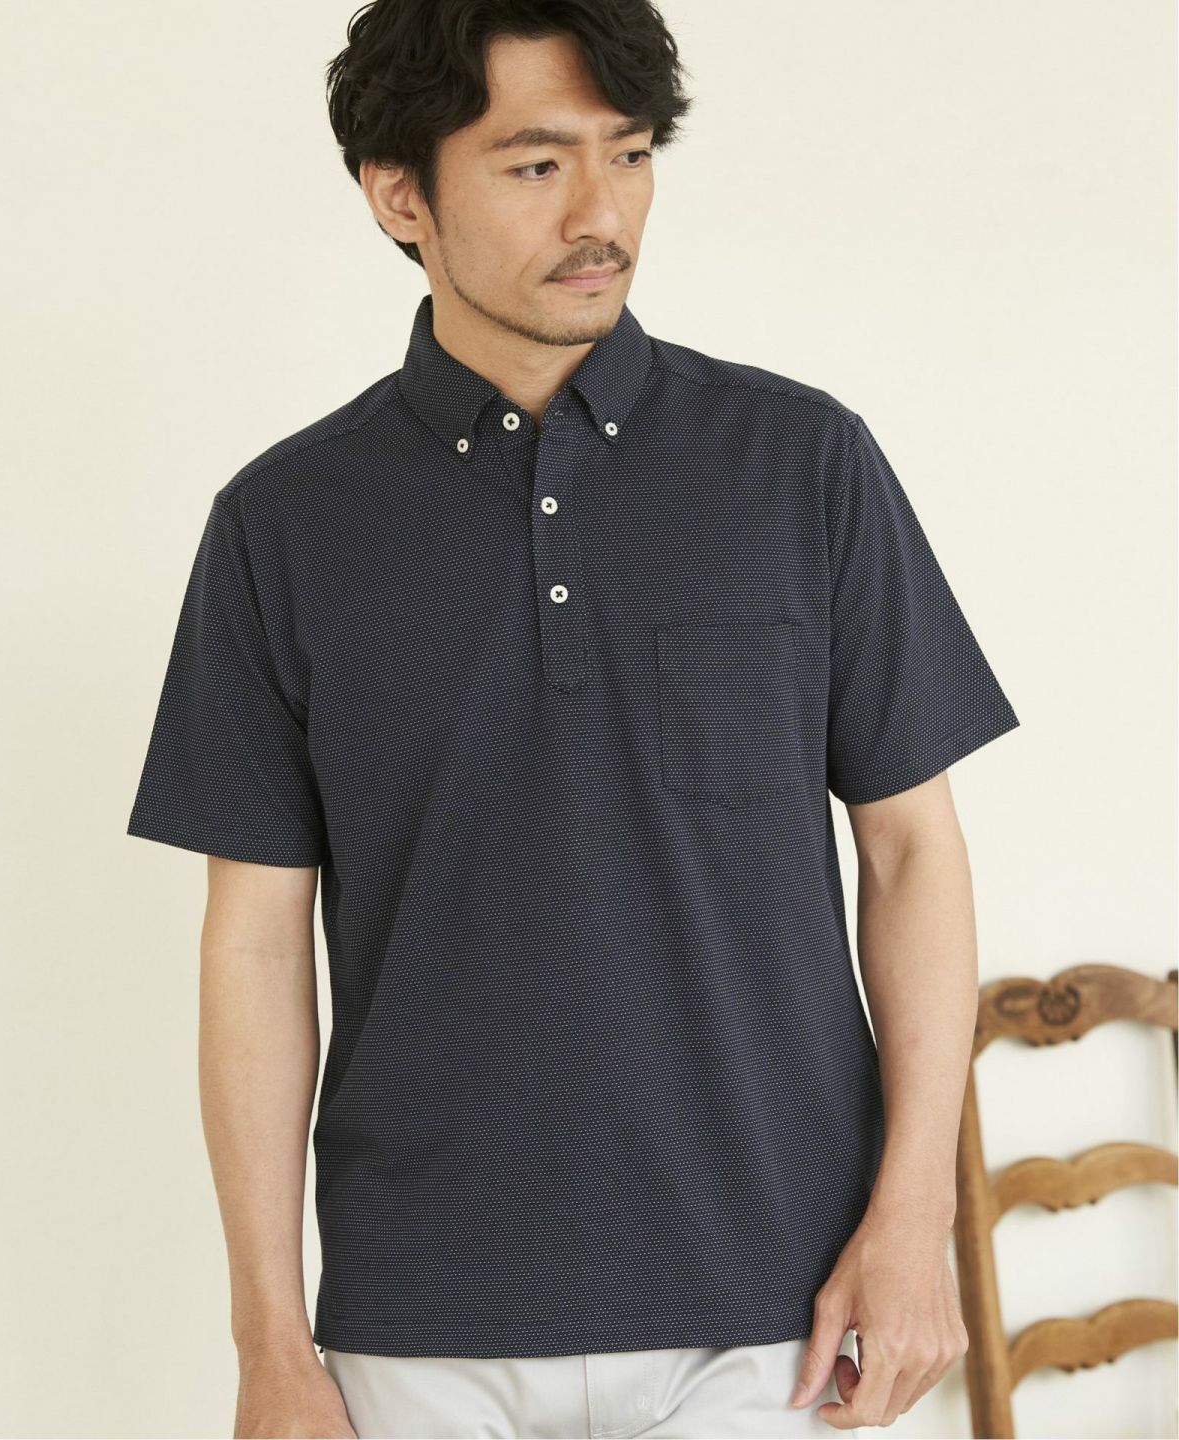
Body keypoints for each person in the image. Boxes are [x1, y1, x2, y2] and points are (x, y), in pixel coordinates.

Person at [126, 1, 1020, 1435]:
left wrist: (912, 1220)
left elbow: (913, 853)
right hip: (422, 1332)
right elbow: (254, 943)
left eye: (632, 153)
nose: (602, 214)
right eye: (539, 164)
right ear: (399, 194)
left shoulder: (802, 466)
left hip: (777, 1314)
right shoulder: (282, 525)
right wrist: (267, 1342)